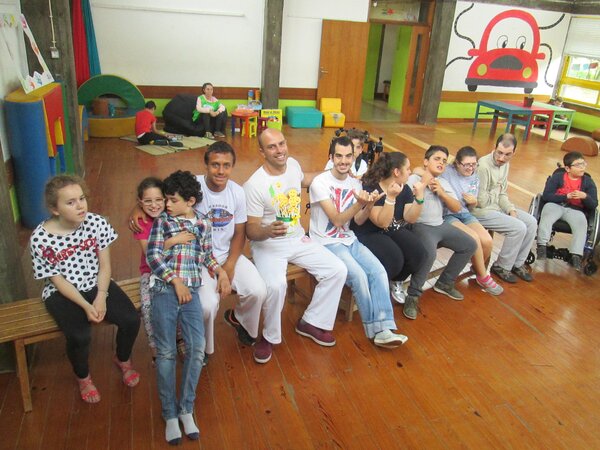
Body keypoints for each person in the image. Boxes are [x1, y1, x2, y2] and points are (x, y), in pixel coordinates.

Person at [29, 175, 140, 405]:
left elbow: (105, 265)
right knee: (79, 335)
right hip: (61, 292)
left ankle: (122, 358)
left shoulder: (96, 222)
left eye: (81, 198)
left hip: (95, 281)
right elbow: (58, 281)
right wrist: (86, 306)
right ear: (55, 209)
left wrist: (101, 296)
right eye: (70, 202)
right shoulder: (40, 238)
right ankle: (83, 377)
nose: (80, 206)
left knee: (131, 319)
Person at [244, 128, 347, 363]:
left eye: (281, 144)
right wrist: (267, 231)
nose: (279, 150)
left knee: (337, 269)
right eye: (271, 147)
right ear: (262, 152)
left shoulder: (292, 164)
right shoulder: (254, 185)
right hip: (269, 244)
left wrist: (335, 171)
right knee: (276, 285)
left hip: (298, 238)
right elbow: (251, 230)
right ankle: (268, 336)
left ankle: (311, 321)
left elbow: (305, 179)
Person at [146, 170, 231, 445]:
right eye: (166, 199)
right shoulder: (163, 222)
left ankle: (186, 408)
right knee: (167, 352)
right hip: (164, 290)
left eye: (172, 200)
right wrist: (176, 281)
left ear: (190, 201)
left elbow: (206, 255)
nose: (167, 204)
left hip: (191, 291)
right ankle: (169, 413)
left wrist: (221, 272)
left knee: (196, 349)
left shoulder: (203, 223)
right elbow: (153, 256)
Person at [310, 137, 407, 347]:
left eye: (348, 156)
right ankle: (375, 331)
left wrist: (369, 205)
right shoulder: (320, 183)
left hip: (349, 239)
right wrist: (359, 203)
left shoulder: (355, 183)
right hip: (326, 242)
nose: (343, 161)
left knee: (379, 271)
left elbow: (358, 220)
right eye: (338, 156)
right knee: (359, 276)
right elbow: (337, 220)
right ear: (331, 157)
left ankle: (385, 328)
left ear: (353, 158)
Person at [195, 142, 268, 360]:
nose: (221, 171)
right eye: (215, 164)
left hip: (227, 254)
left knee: (258, 290)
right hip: (199, 259)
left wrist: (230, 264)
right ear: (206, 165)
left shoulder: (237, 192)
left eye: (226, 165)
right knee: (207, 305)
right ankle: (202, 346)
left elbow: (239, 233)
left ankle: (240, 320)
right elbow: (159, 196)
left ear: (232, 167)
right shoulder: (193, 186)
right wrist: (138, 208)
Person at [351, 152, 428, 314]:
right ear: (396, 172)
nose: (410, 172)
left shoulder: (404, 188)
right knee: (394, 259)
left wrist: (419, 198)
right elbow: (381, 222)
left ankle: (396, 281)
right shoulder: (372, 188)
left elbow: (410, 218)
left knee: (419, 253)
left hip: (389, 229)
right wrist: (391, 198)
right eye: (407, 169)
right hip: (368, 232)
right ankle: (376, 291)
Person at [405, 146, 477, 317]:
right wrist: (424, 182)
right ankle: (413, 295)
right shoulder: (413, 178)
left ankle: (445, 282)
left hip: (440, 225)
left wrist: (442, 194)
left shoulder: (443, 182)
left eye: (444, 161)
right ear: (425, 161)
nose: (441, 163)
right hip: (421, 226)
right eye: (436, 159)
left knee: (470, 244)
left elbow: (457, 207)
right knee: (430, 254)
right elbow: (406, 206)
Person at [132, 177, 192, 362]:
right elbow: (150, 254)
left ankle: (179, 338)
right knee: (148, 307)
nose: (154, 205)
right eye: (148, 201)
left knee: (181, 300)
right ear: (140, 202)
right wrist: (174, 240)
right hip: (150, 272)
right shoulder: (142, 223)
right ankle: (155, 347)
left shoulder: (172, 213)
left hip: (175, 268)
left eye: (159, 199)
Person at [472, 133, 537, 283]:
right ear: (494, 148)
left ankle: (517, 264)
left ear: (514, 152)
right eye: (499, 152)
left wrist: (510, 209)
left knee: (531, 222)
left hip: (496, 207)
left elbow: (502, 193)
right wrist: (496, 194)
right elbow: (480, 201)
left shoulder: (505, 165)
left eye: (507, 154)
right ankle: (501, 266)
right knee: (518, 227)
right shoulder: (483, 166)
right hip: (481, 211)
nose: (501, 158)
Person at [440, 146, 503, 296]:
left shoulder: (474, 176)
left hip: (465, 213)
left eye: (474, 164)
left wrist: (473, 202)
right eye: (466, 164)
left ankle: (476, 269)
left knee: (487, 241)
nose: (470, 168)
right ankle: (483, 276)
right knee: (474, 238)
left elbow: (470, 207)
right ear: (457, 163)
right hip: (448, 215)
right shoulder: (447, 171)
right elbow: (422, 170)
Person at [537, 151, 598, 271]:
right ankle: (542, 246)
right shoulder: (557, 178)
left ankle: (576, 255)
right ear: (567, 168)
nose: (582, 167)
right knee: (547, 214)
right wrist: (566, 196)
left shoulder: (588, 182)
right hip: (556, 205)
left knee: (581, 223)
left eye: (583, 164)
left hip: (575, 210)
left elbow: (594, 204)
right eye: (578, 165)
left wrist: (585, 196)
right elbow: (547, 196)